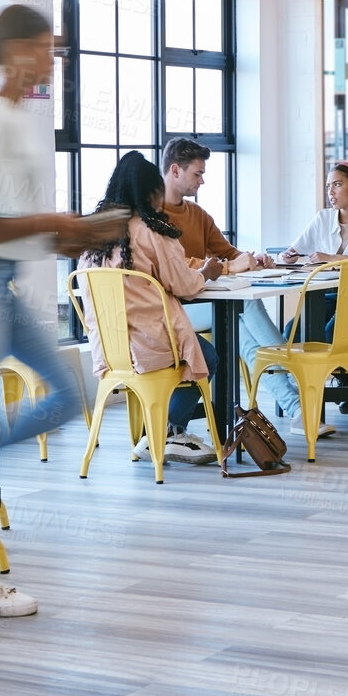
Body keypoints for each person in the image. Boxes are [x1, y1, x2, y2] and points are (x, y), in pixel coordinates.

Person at [0, 4, 127, 618]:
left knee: (71, 395)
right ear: (17, 53)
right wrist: (54, 224)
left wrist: (67, 237)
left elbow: (7, 223)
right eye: (45, 50)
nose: (51, 62)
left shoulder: (8, 116)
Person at [79, 151, 226, 465]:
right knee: (208, 356)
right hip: (151, 342)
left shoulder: (95, 235)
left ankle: (158, 433)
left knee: (196, 351)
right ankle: (170, 432)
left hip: (109, 346)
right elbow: (185, 285)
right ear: (150, 192)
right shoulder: (151, 231)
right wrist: (207, 273)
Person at [241, 161, 348, 428]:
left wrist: (332, 258)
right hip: (327, 296)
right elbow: (295, 250)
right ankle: (345, 379)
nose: (331, 192)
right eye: (328, 186)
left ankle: (323, 389)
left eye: (337, 184)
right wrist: (285, 257)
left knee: (329, 335)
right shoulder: (323, 219)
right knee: (291, 333)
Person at [157, 137, 270, 271]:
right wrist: (227, 267)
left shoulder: (198, 213)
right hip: (166, 291)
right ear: (175, 171)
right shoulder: (148, 214)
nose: (202, 181)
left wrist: (252, 260)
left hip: (200, 290)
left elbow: (228, 253)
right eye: (197, 174)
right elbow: (172, 264)